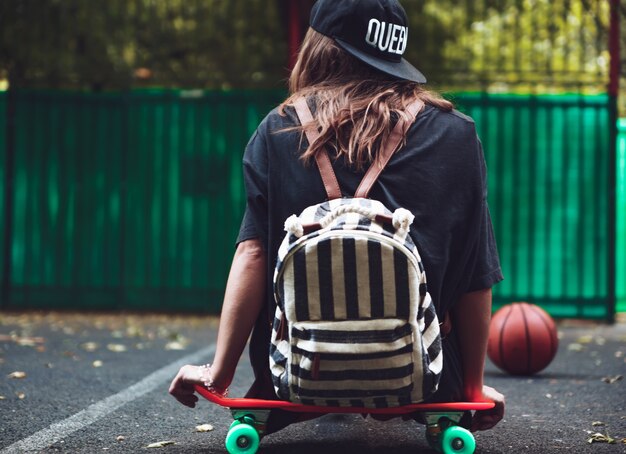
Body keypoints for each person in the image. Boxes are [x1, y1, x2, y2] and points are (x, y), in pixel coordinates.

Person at [169, 0, 505, 433]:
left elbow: (252, 256)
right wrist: (472, 392)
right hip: (430, 378)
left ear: (319, 46)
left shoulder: (278, 129)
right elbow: (476, 272)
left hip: (291, 376)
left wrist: (219, 374)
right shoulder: (455, 133)